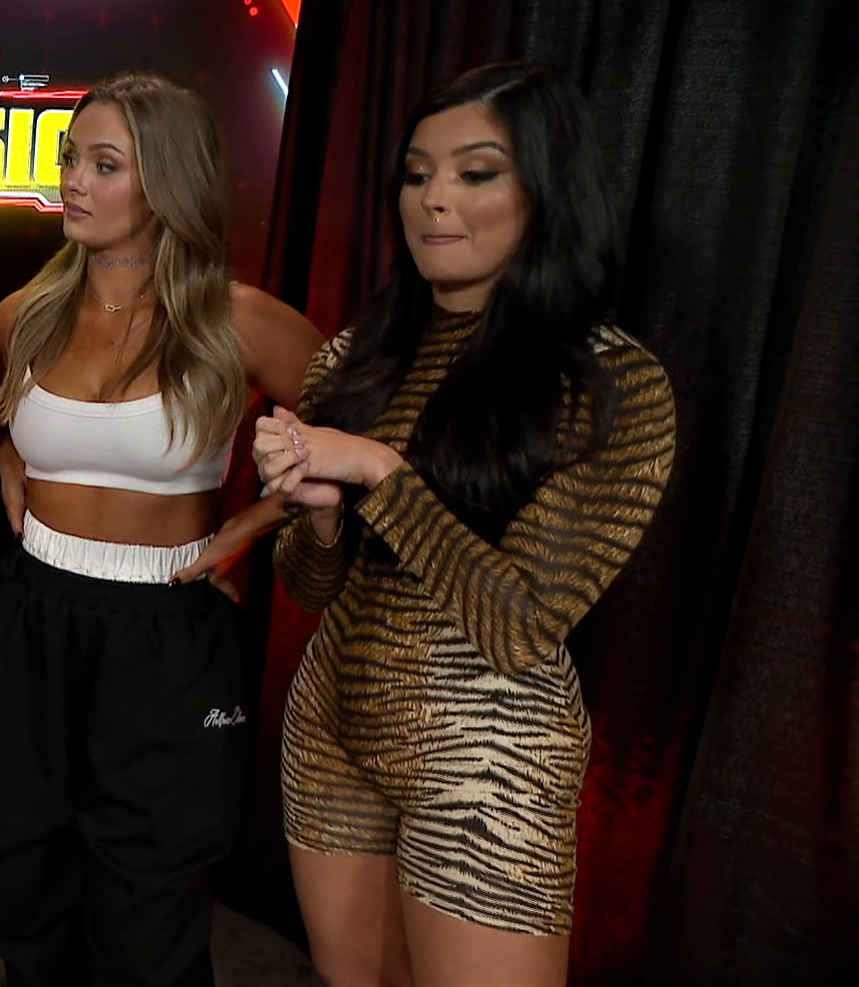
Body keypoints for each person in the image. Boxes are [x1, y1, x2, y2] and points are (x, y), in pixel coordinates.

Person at [253, 63, 676, 986]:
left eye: (475, 173)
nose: (433, 198)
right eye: (416, 174)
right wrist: (319, 521)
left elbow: (520, 627)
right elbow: (309, 589)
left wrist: (378, 471)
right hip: (331, 727)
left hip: (489, 755)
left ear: (548, 192)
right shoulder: (357, 357)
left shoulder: (611, 382)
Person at [0, 72, 324, 987]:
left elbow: (365, 434)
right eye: (70, 159)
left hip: (166, 621)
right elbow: (3, 424)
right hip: (33, 611)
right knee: (22, 877)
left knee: (149, 908)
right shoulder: (24, 315)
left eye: (104, 164)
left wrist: (252, 522)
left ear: (167, 181)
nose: (72, 181)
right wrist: (8, 456)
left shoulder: (235, 320)